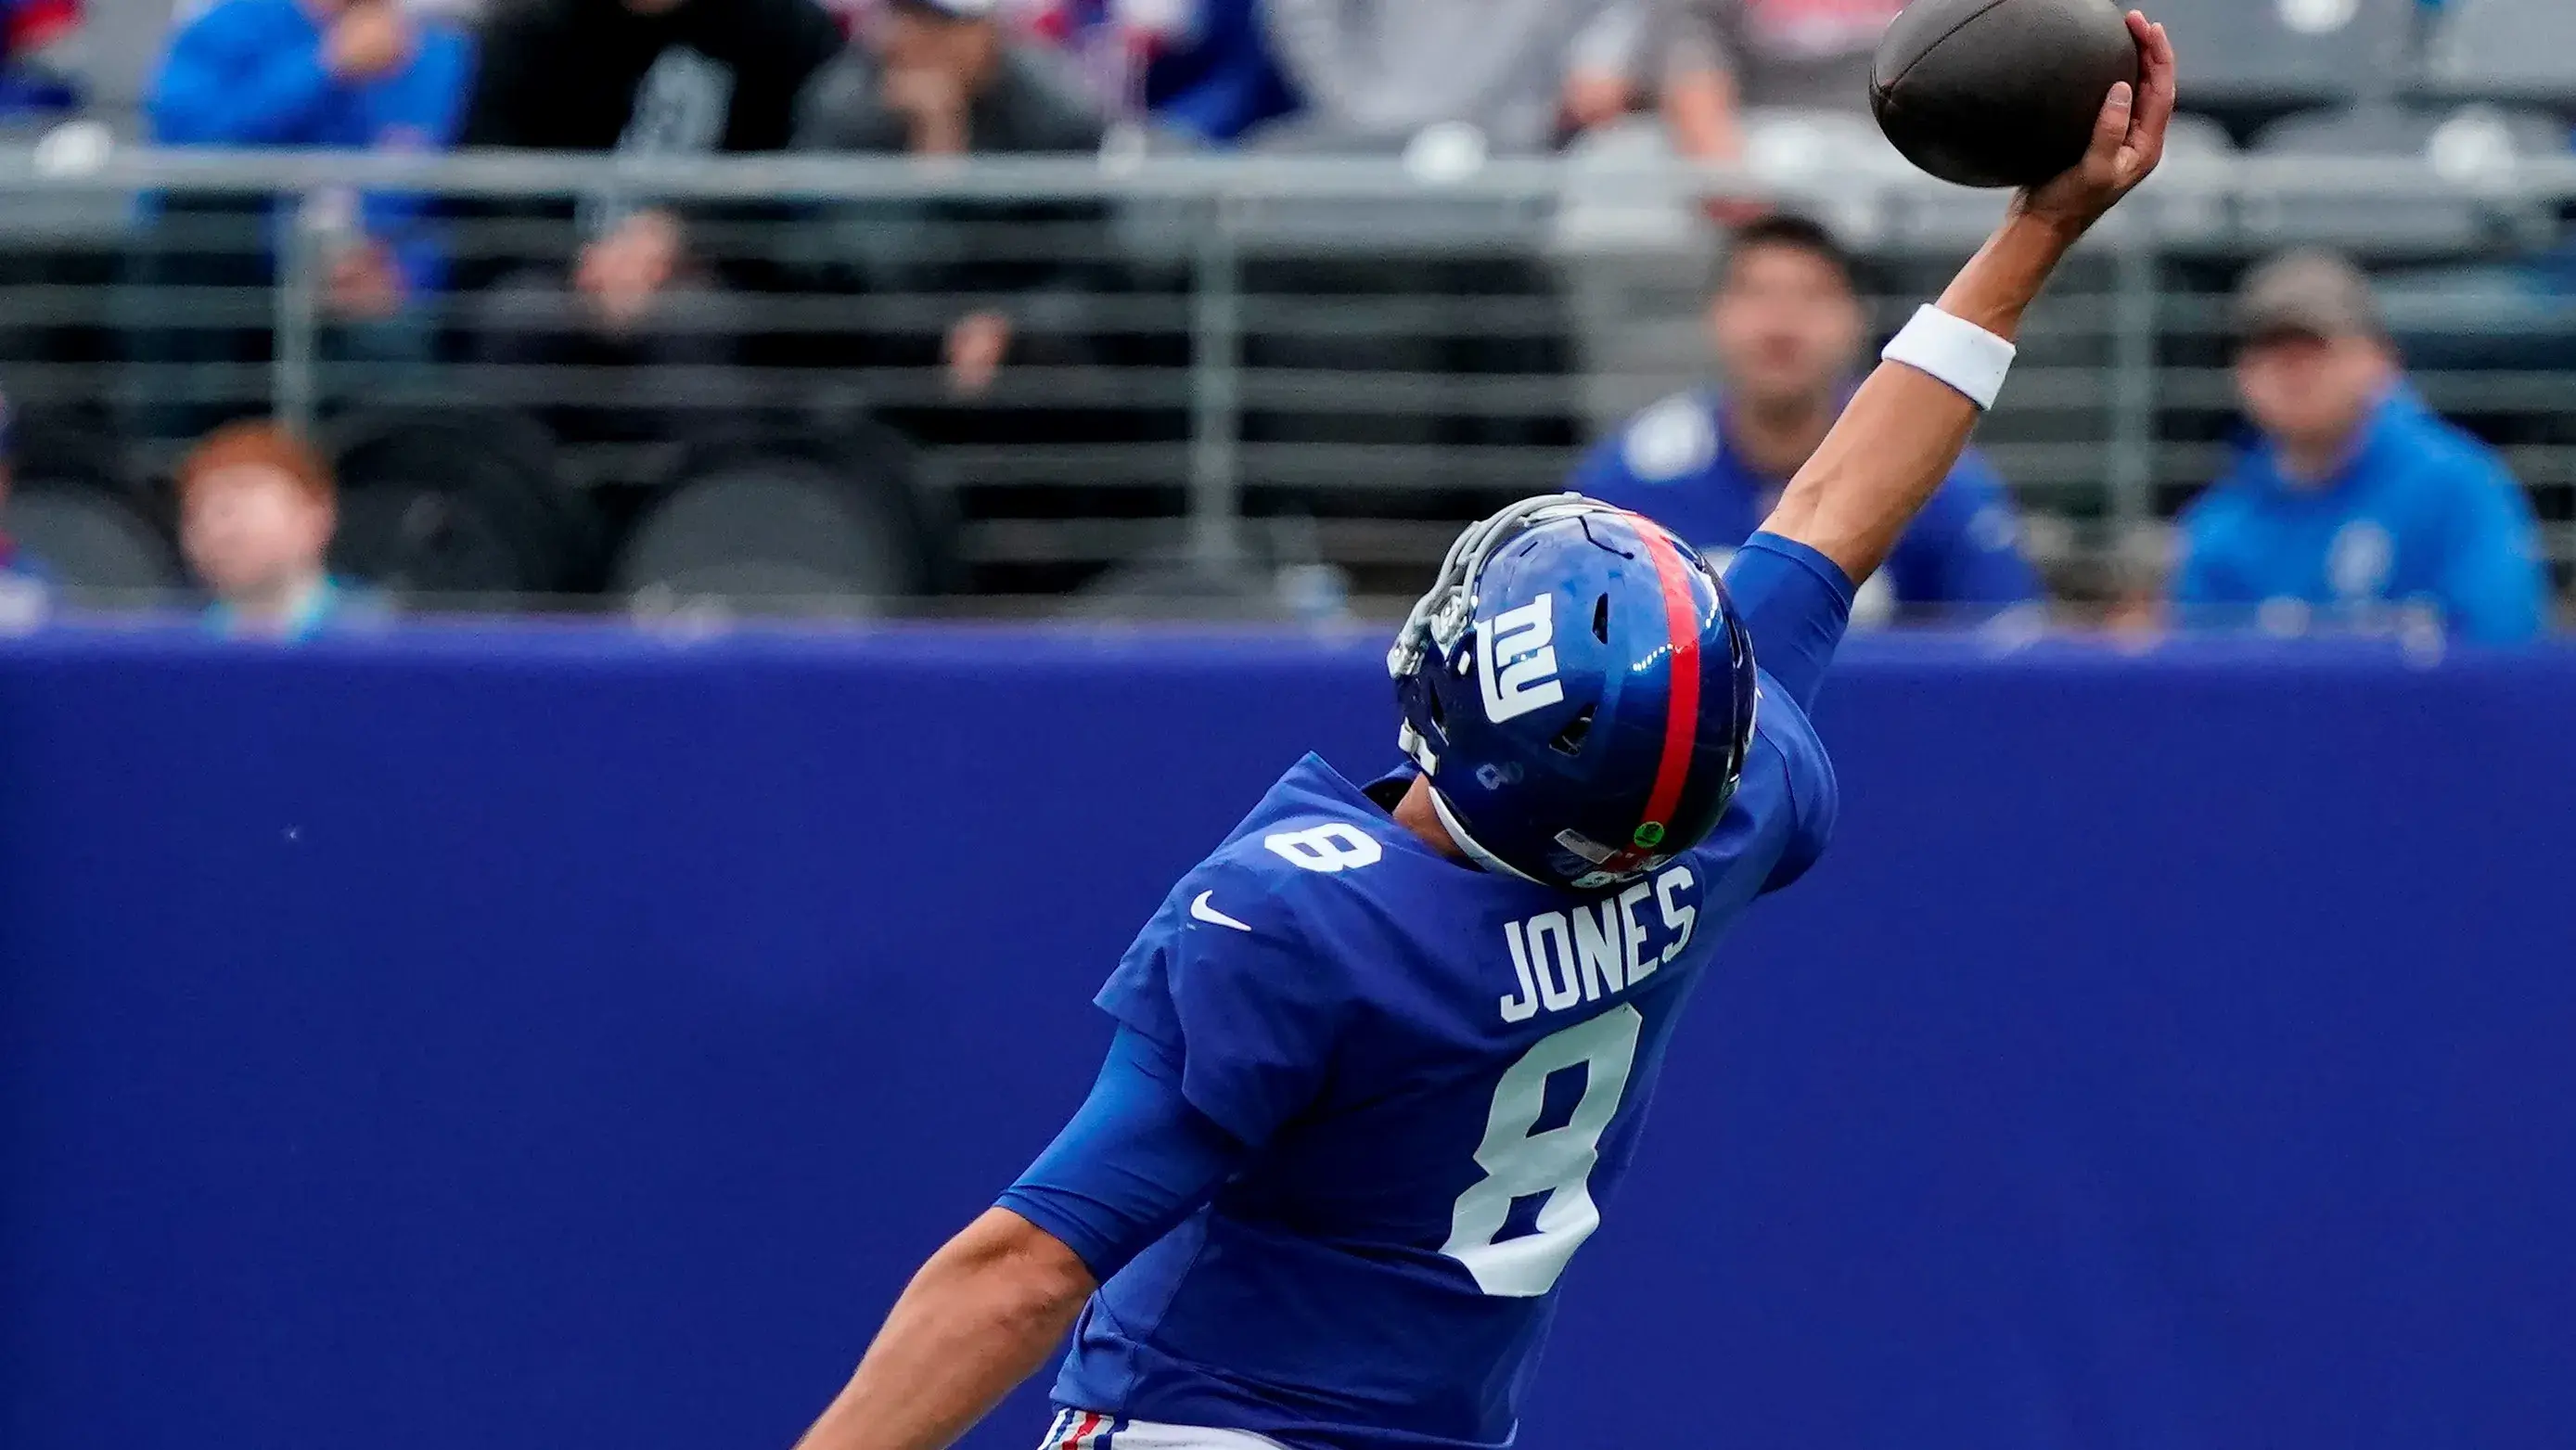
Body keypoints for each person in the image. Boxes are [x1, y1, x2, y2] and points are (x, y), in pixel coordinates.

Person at [788, 16, 2175, 1450]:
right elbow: (1828, 515)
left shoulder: (1301, 926)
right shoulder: (1713, 818)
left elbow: (1027, 1265)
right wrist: (2039, 229)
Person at [1567, 214, 2043, 625]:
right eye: (1756, 293)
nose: (1781, 322)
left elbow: (2006, 645)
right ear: (1714, 314)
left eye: (1813, 295)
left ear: (1859, 318)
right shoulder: (1632, 483)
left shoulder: (1930, 472)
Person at [455, 0, 845, 440]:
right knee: (522, 317)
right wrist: (585, 258)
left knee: (695, 326)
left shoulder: (784, 26)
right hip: (557, 265)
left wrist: (683, 235)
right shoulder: (533, 25)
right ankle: (504, 497)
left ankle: (708, 502)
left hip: (723, 270)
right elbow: (493, 171)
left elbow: (795, 170)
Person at [2173, 250, 2548, 643]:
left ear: (2379, 360)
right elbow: (2204, 683)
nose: (2294, 375)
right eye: (2271, 353)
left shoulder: (2455, 489)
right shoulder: (2219, 530)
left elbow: (2502, 645)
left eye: (2315, 350)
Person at [793, 0, 1111, 401]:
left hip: (1018, 338)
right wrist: (936, 157)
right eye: (908, 17)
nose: (919, 37)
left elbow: (1082, 261)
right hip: (880, 343)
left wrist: (1010, 322)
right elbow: (861, 265)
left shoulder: (1053, 107)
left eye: (943, 24)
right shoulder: (845, 104)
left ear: (989, 31)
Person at [147, 0, 475, 384]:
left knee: (392, 343)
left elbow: (454, 201)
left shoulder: (440, 52)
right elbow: (188, 156)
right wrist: (325, 67)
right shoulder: (227, 27)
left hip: (369, 287)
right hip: (231, 274)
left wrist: (409, 271)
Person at [177, 418, 376, 638]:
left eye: (242, 502)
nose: (217, 528)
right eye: (197, 510)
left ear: (314, 516)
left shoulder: (380, 633)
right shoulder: (171, 643)